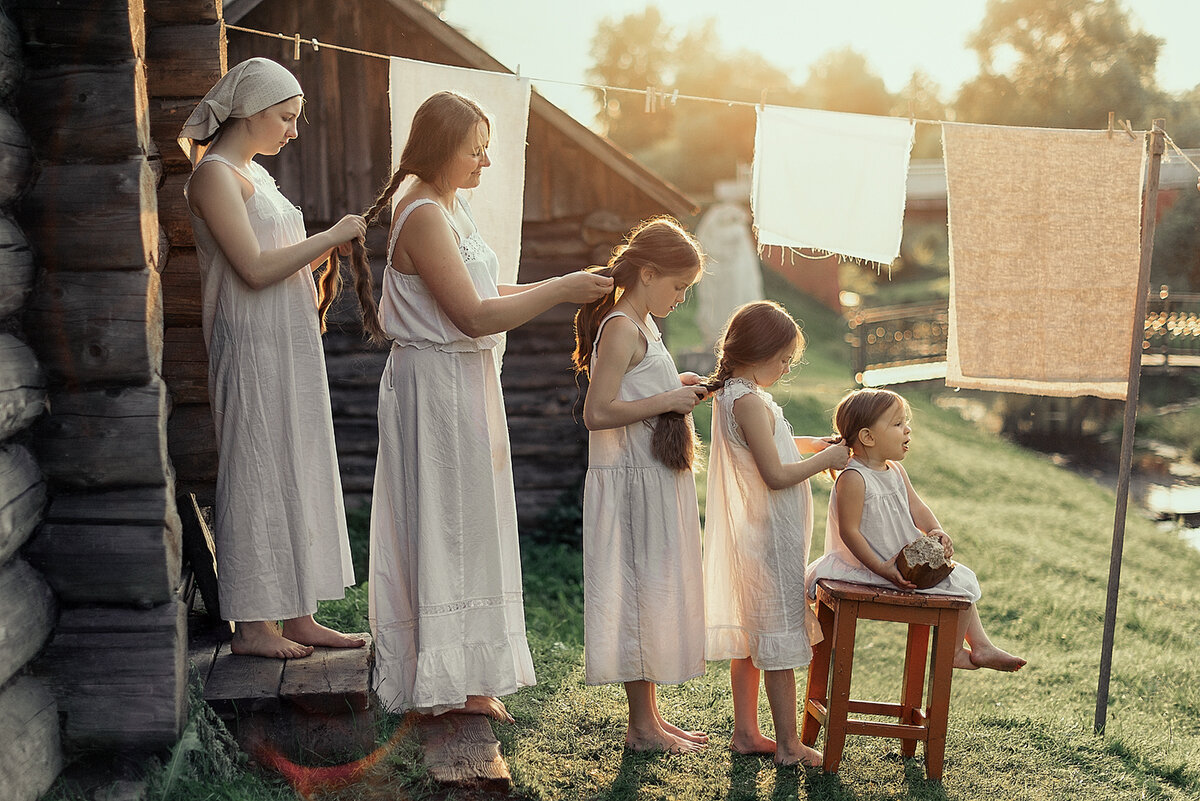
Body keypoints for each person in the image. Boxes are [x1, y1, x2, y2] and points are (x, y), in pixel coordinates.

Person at [354, 91, 613, 722]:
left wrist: (567, 287)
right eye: (476, 150)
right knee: (446, 523)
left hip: (465, 382)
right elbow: (470, 314)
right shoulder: (419, 213)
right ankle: (438, 680)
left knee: (471, 523)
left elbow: (482, 290)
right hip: (435, 389)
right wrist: (560, 290)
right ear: (442, 150)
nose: (486, 162)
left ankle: (467, 675)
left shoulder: (450, 205)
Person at [180, 57, 366, 659]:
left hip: (287, 340)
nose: (292, 130)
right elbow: (254, 269)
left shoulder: (259, 176)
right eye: (286, 117)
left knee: (297, 460)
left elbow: (283, 260)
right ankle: (254, 627)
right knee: (256, 465)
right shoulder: (214, 175)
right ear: (253, 109)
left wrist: (321, 257)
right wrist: (332, 236)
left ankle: (299, 612)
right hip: (250, 343)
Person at [572, 216, 712, 754]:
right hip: (630, 484)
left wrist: (675, 386)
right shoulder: (620, 326)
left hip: (653, 478)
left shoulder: (644, 324)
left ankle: (649, 718)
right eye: (678, 287)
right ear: (648, 273)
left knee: (650, 592)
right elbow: (597, 412)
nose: (680, 298)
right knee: (635, 593)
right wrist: (666, 401)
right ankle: (640, 727)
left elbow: (637, 387)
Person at [702, 301, 851, 765]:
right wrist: (826, 461)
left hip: (764, 534)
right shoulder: (746, 400)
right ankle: (788, 745)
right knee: (779, 636)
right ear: (759, 351)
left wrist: (813, 444)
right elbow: (775, 474)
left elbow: (775, 448)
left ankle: (746, 732)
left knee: (753, 634)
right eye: (784, 358)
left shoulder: (741, 395)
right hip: (768, 539)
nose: (787, 367)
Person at [807, 388, 1026, 672]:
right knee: (954, 582)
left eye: (905, 422)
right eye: (897, 424)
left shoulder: (895, 470)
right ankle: (958, 651)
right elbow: (850, 534)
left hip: (900, 565)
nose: (907, 429)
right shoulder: (854, 477)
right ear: (868, 437)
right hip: (864, 567)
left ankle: (978, 646)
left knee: (959, 576)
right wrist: (881, 567)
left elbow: (918, 508)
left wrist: (935, 530)